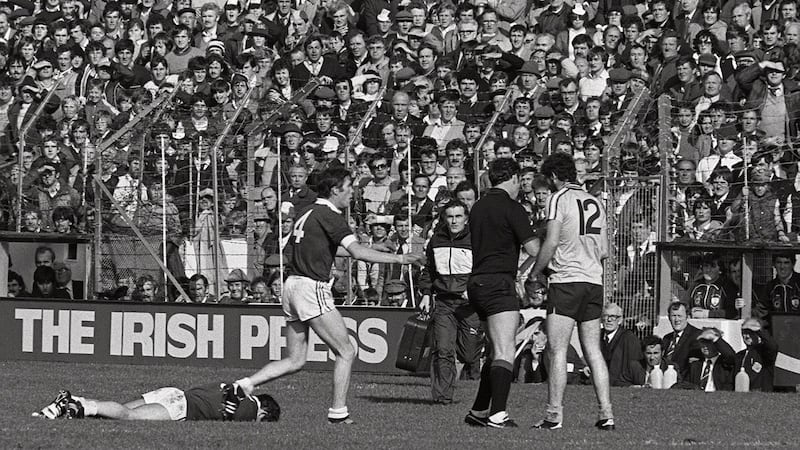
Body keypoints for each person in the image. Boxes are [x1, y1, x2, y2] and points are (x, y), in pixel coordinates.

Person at [227, 168, 424, 424]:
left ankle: (243, 385)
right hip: (311, 288)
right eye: (348, 187)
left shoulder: (307, 211)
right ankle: (338, 413)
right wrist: (401, 258)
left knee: (296, 360)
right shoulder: (331, 215)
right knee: (346, 350)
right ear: (335, 190)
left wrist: (371, 247)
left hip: (291, 286)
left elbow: (327, 249)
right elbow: (357, 253)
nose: (352, 192)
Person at [527, 152, 614, 431]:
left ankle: (553, 415)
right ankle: (606, 413)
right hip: (593, 281)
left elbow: (551, 242)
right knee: (593, 349)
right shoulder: (595, 202)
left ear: (553, 177)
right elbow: (604, 251)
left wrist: (533, 273)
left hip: (566, 281)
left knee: (557, 349)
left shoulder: (557, 199)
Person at [463, 158, 539, 429]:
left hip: (477, 283)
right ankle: (498, 414)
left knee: (495, 350)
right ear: (514, 178)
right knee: (506, 349)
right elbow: (533, 249)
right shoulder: (513, 208)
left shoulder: (479, 206)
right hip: (499, 284)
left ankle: (479, 410)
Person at [418, 200, 482, 404]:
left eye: (458, 216)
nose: (454, 221)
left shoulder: (477, 240)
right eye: (450, 216)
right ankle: (442, 397)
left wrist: (474, 290)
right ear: (444, 218)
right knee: (443, 350)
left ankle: (461, 369)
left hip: (470, 305)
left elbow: (484, 269)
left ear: (466, 218)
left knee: (469, 354)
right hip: (444, 303)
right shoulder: (436, 239)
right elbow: (428, 269)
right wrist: (426, 293)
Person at [32, 384, 279, 422]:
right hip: (181, 408)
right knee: (129, 417)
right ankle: (79, 404)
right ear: (264, 412)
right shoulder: (252, 407)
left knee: (121, 410)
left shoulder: (235, 386)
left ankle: (70, 406)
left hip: (175, 392)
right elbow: (234, 415)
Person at [600, 303, 646, 387]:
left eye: (613, 316)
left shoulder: (629, 338)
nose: (609, 320)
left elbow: (634, 366)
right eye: (606, 316)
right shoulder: (597, 336)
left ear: (620, 320)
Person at [661, 301, 703, 379]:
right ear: (669, 317)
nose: (676, 319)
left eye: (680, 316)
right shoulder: (666, 338)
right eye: (673, 316)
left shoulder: (696, 336)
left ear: (687, 316)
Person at [735, 318, 778, 392]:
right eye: (744, 332)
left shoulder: (764, 353)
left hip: (760, 395)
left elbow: (773, 346)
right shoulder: (740, 355)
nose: (747, 336)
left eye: (751, 332)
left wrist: (759, 330)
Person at [687, 327, 736, 391]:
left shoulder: (724, 363)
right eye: (702, 342)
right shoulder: (695, 365)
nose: (705, 345)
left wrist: (714, 338)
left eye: (708, 341)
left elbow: (731, 355)